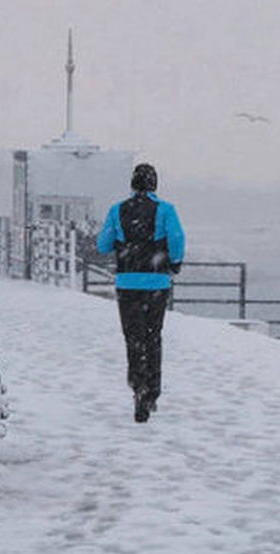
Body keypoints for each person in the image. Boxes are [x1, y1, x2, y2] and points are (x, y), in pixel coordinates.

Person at [96, 163, 186, 423]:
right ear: (154, 184)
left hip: (127, 283)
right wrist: (174, 262)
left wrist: (124, 243)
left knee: (133, 338)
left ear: (132, 184)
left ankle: (138, 388)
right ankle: (152, 392)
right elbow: (177, 239)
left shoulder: (117, 210)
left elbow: (103, 245)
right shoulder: (166, 210)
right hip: (157, 283)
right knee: (152, 336)